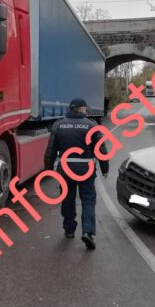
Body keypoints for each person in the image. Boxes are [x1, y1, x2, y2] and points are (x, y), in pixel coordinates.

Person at [44, 98, 109, 250]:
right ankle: (87, 231)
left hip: (65, 169)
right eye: (85, 109)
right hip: (85, 168)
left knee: (67, 199)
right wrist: (105, 168)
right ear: (81, 109)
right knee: (88, 199)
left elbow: (51, 150)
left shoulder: (59, 125)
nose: (86, 111)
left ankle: (69, 229)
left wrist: (48, 169)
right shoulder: (92, 126)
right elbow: (101, 149)